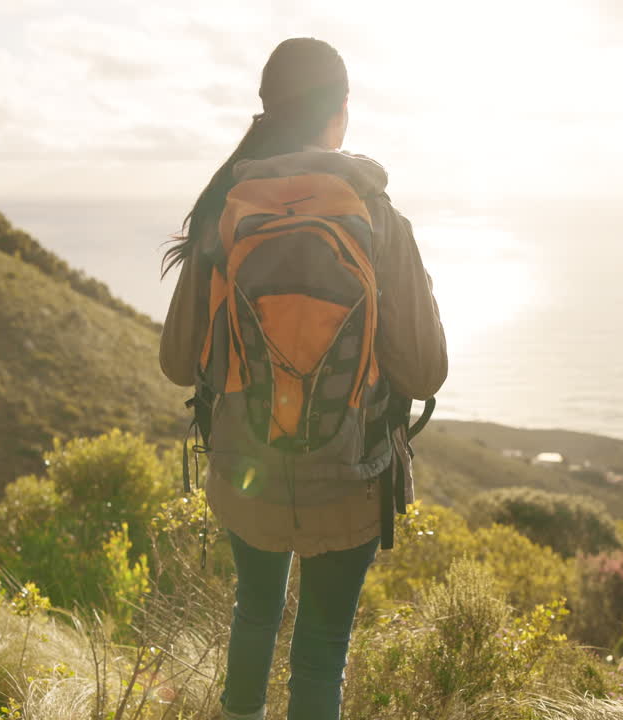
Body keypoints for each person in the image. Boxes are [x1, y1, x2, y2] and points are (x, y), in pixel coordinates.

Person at [159, 37, 446, 720]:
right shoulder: (377, 214)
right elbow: (425, 369)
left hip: (248, 470)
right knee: (320, 653)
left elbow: (176, 361)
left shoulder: (228, 210)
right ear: (340, 110)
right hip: (350, 477)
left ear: (268, 110)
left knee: (255, 612)